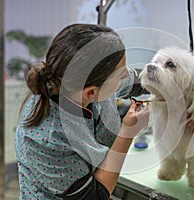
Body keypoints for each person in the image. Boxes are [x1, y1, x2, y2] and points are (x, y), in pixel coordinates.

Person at [15, 23, 149, 199]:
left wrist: (176, 86)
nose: (126, 76)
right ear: (91, 92)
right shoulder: (48, 138)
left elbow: (138, 81)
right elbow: (94, 196)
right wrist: (127, 134)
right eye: (120, 74)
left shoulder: (88, 82)